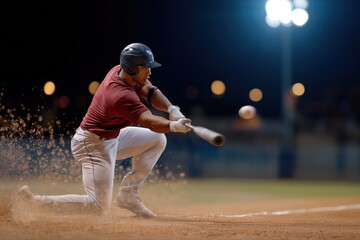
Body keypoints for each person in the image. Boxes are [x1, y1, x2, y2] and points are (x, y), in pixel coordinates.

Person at [18, 42, 191, 218]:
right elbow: (149, 120)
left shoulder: (122, 71)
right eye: (145, 67)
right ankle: (36, 202)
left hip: (111, 136)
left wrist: (172, 110)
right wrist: (173, 126)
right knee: (97, 207)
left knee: (157, 139)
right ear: (131, 68)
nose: (149, 71)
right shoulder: (119, 96)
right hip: (92, 144)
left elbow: (150, 91)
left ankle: (128, 195)